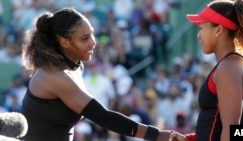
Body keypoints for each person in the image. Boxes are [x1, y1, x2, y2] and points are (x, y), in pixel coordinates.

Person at [20, 7, 172, 141]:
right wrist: (157, 135)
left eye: (91, 34)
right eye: (84, 38)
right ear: (64, 42)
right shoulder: (54, 75)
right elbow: (103, 117)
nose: (93, 42)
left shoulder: (74, 67)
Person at [169, 0, 243, 141]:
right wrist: (191, 139)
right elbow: (232, 131)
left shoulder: (229, 67)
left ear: (218, 30)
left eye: (202, 28)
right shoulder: (230, 65)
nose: (198, 35)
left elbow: (233, 131)